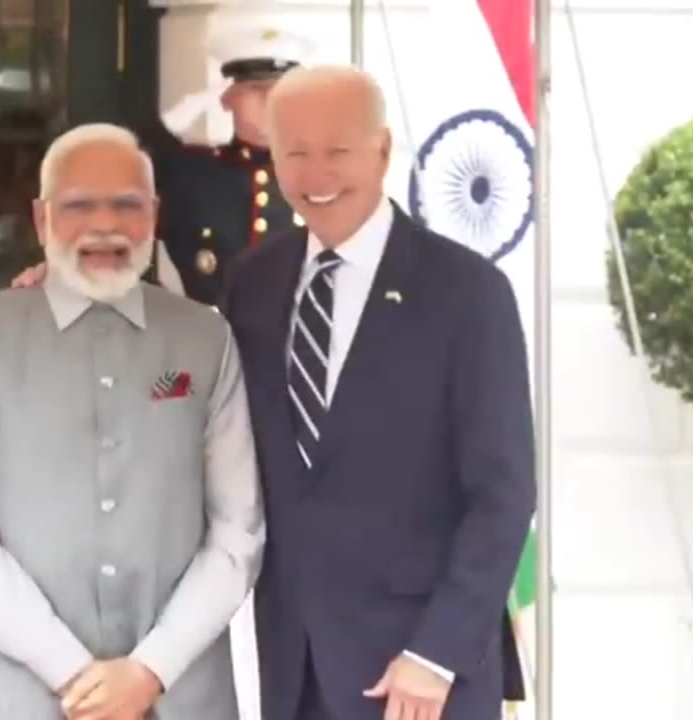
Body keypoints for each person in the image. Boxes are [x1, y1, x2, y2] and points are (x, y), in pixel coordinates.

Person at [220, 65, 535, 720]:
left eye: (337, 151)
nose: (316, 175)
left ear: (383, 151)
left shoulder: (466, 293)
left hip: (420, 678)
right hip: (294, 667)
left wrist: (436, 652)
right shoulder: (251, 286)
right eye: (295, 154)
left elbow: (502, 496)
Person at [0, 122, 265, 719]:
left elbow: (238, 531)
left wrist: (150, 670)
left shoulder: (205, 338)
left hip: (176, 697)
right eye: (79, 205)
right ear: (41, 218)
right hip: (8, 697)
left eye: (126, 205)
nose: (104, 225)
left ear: (155, 214)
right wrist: (73, 674)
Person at [148, 24, 315, 306]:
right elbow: (120, 175)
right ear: (227, 98)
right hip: (213, 342)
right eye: (256, 89)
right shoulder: (193, 173)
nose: (270, 99)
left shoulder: (323, 177)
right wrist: (178, 115)